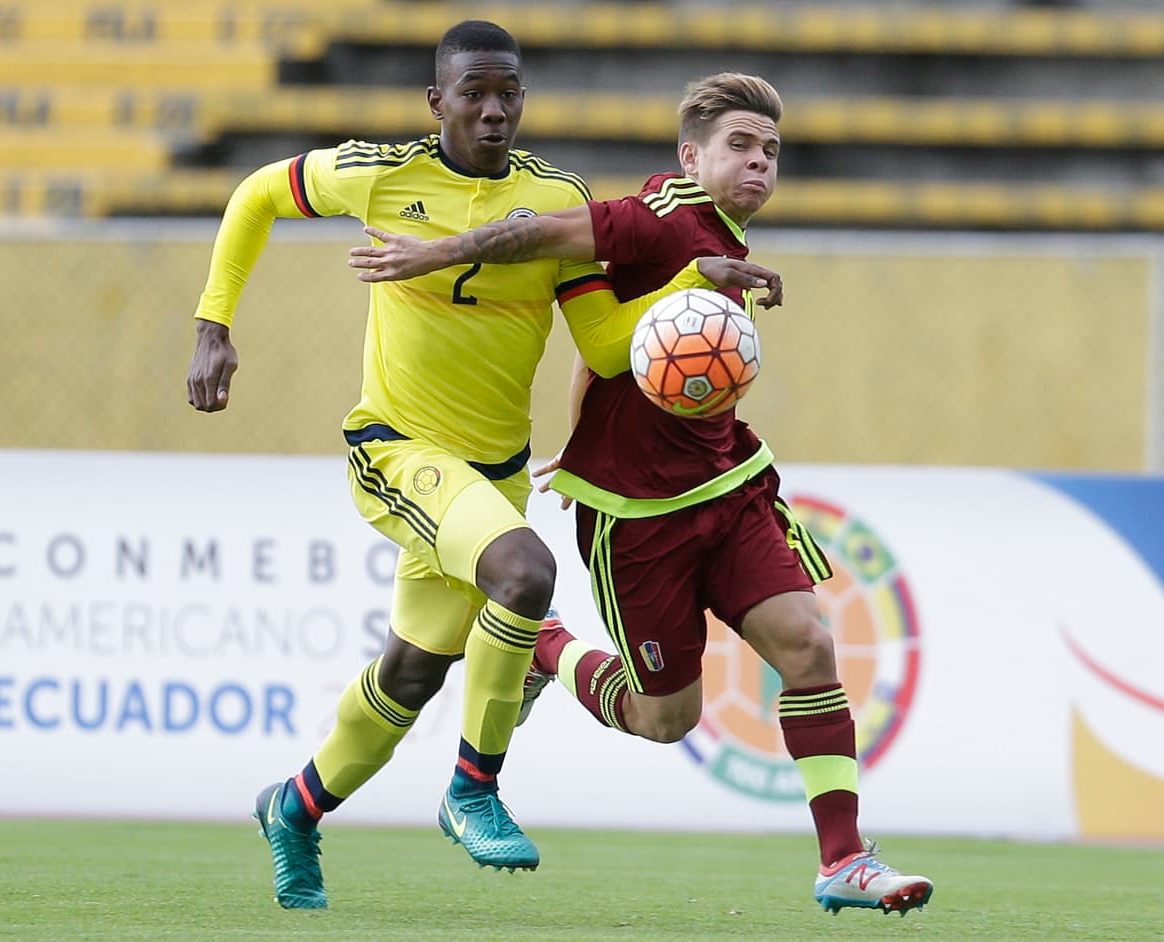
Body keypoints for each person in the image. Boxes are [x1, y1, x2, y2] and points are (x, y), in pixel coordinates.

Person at [185, 25, 779, 910]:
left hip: (494, 475)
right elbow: (256, 193)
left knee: (412, 673)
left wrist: (689, 281)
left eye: (509, 93)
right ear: (439, 102)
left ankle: (294, 808)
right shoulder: (382, 176)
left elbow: (612, 349)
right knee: (525, 571)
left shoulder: (553, 199)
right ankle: (475, 788)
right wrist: (212, 324)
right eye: (474, 93)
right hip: (397, 449)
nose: (494, 109)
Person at [347, 71, 934, 917]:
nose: (760, 162)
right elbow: (538, 235)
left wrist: (584, 423)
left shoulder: (720, 238)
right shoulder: (659, 215)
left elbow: (611, 346)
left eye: (771, 150)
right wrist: (433, 253)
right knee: (666, 720)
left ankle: (842, 859)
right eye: (741, 145)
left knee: (808, 646)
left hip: (729, 486)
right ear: (691, 155)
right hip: (640, 522)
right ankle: (543, 647)